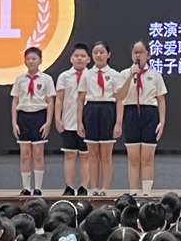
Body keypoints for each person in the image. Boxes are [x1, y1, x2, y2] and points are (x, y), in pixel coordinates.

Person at [116, 41, 168, 197]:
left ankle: (146, 194)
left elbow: (161, 100)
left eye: (141, 52)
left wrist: (162, 121)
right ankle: (133, 193)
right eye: (135, 52)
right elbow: (120, 96)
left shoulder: (155, 75)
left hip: (149, 114)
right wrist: (131, 75)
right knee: (133, 158)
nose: (138, 55)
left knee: (147, 158)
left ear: (148, 55)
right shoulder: (124, 74)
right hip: (131, 113)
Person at [77, 41, 124, 196]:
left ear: (108, 54)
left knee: (106, 154)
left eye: (102, 52)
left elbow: (120, 100)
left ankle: (105, 188)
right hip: (91, 110)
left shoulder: (115, 75)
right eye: (95, 52)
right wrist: (79, 122)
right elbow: (80, 99)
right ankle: (94, 188)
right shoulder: (86, 74)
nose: (98, 55)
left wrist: (118, 123)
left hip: (108, 110)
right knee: (92, 154)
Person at [11, 47, 56, 196]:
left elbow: (50, 101)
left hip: (39, 116)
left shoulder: (46, 79)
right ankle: (26, 188)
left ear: (40, 61)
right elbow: (15, 101)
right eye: (28, 59)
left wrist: (48, 122)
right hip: (23, 116)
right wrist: (14, 122)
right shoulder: (20, 80)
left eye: (34, 58)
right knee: (24, 154)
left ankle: (37, 188)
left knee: (38, 153)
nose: (31, 61)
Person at [55, 43, 92, 196]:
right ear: (71, 58)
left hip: (86, 121)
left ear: (88, 59)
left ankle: (84, 187)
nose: (79, 58)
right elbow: (59, 99)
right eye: (76, 56)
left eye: (83, 56)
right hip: (68, 121)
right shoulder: (64, 76)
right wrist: (58, 118)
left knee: (85, 156)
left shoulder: (92, 76)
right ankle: (69, 187)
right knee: (69, 155)